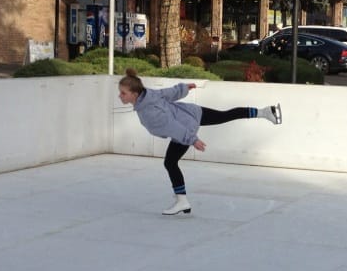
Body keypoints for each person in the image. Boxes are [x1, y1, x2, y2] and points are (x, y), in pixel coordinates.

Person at [118, 68, 282, 215]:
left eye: (123, 93)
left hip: (185, 127)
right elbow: (166, 93)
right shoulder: (148, 95)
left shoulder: (148, 112)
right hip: (191, 113)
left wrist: (192, 139)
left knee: (170, 162)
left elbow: (172, 126)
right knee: (225, 115)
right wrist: (182, 89)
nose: (120, 96)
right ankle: (264, 112)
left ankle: (182, 201)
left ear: (135, 94)